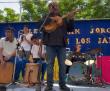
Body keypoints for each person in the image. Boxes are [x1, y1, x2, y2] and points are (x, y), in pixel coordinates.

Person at [42, 2, 74, 91]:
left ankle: (62, 85)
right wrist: (52, 18)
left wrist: (71, 19)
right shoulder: (45, 17)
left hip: (62, 45)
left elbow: (71, 29)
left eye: (56, 6)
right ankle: (49, 86)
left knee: (62, 66)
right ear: (50, 8)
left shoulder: (63, 18)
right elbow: (41, 26)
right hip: (50, 45)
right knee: (49, 66)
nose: (55, 7)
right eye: (53, 6)